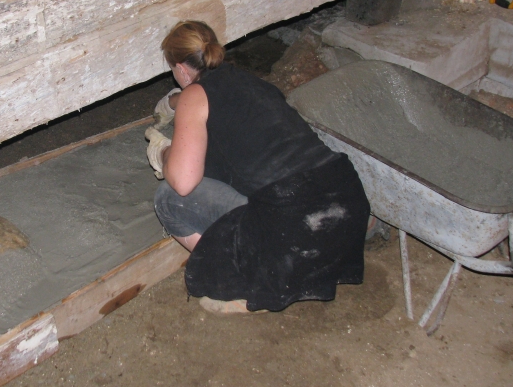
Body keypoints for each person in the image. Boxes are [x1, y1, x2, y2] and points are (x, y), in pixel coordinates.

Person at [145, 20, 371, 314]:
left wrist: (163, 152)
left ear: (181, 69)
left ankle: (246, 281)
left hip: (295, 229)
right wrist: (174, 102)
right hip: (344, 211)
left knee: (168, 197)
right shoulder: (255, 85)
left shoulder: (194, 96)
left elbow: (184, 181)